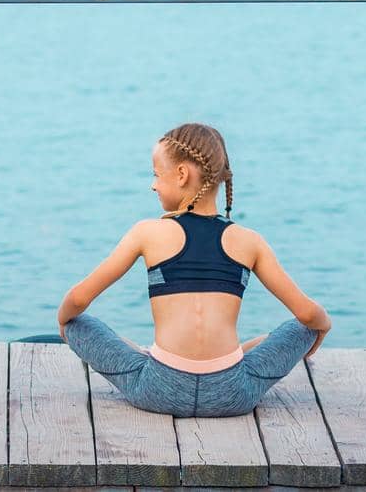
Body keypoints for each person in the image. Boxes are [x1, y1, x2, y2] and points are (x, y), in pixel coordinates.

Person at [56, 121, 331, 418]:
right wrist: (323, 325)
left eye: (156, 175)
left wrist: (64, 323)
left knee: (77, 324)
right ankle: (237, 353)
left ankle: (149, 354)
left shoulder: (147, 233)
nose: (153, 185)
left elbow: (79, 299)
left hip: (159, 389)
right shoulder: (249, 241)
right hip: (232, 393)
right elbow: (307, 315)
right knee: (302, 328)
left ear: (182, 174)